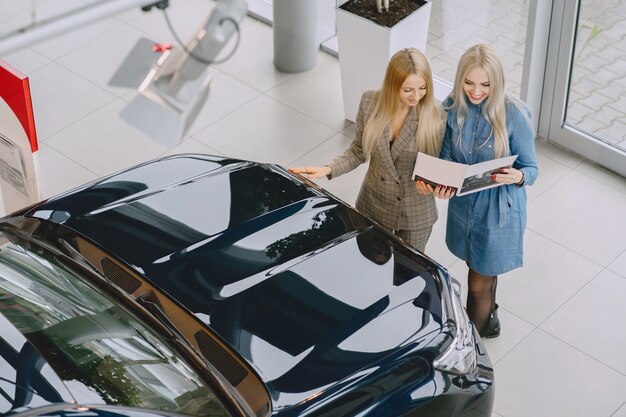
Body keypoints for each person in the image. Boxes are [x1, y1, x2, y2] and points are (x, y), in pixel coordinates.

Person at [416, 43, 538, 338]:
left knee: (476, 283)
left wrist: (518, 176)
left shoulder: (514, 115)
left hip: (498, 211)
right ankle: (491, 316)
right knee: (480, 264)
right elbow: (446, 155)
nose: (476, 91)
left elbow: (532, 169)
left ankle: (471, 343)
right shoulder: (452, 107)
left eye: (485, 84)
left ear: (496, 83)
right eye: (468, 82)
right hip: (465, 205)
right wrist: (443, 183)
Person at [290, 48, 443, 252]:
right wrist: (328, 169)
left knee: (406, 275)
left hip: (415, 212)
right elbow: (358, 150)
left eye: (423, 88)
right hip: (374, 204)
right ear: (392, 84)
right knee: (369, 263)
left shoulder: (436, 116)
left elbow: (438, 166)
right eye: (408, 90)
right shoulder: (370, 102)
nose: (417, 96)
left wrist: (437, 185)